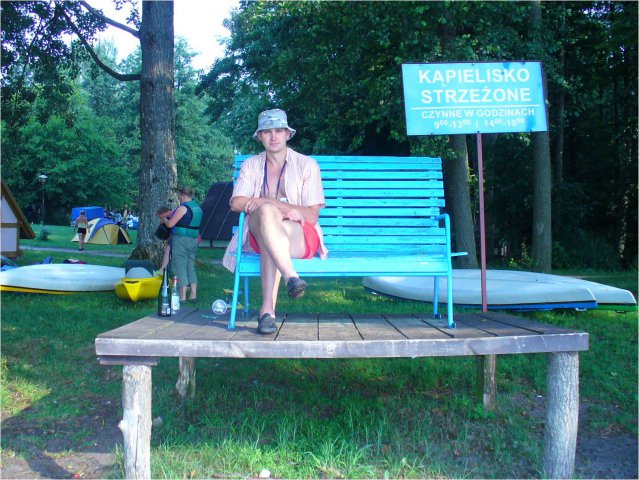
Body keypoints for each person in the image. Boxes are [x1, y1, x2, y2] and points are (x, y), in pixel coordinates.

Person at [223, 108, 328, 334]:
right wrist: (276, 207)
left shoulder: (307, 165)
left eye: (279, 130)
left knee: (268, 230)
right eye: (267, 131)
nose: (274, 137)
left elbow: (311, 216)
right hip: (259, 232)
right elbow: (237, 202)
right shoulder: (251, 165)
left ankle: (267, 312)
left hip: (298, 234)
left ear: (288, 134)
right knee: (266, 214)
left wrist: (265, 202)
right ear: (260, 136)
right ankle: (291, 276)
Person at [162, 187, 202, 303]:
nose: (178, 198)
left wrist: (165, 220)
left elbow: (170, 224)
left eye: (179, 196)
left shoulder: (183, 208)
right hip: (194, 240)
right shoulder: (198, 208)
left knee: (180, 267)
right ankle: (193, 295)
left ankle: (182, 296)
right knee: (190, 266)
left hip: (181, 240)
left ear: (183, 196)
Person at [156, 206, 173, 272]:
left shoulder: (173, 215)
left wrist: (165, 220)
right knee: (167, 250)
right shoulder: (167, 217)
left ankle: (163, 269)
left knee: (168, 251)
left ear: (164, 213)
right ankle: (163, 269)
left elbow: (171, 225)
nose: (161, 219)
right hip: (172, 236)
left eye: (161, 217)